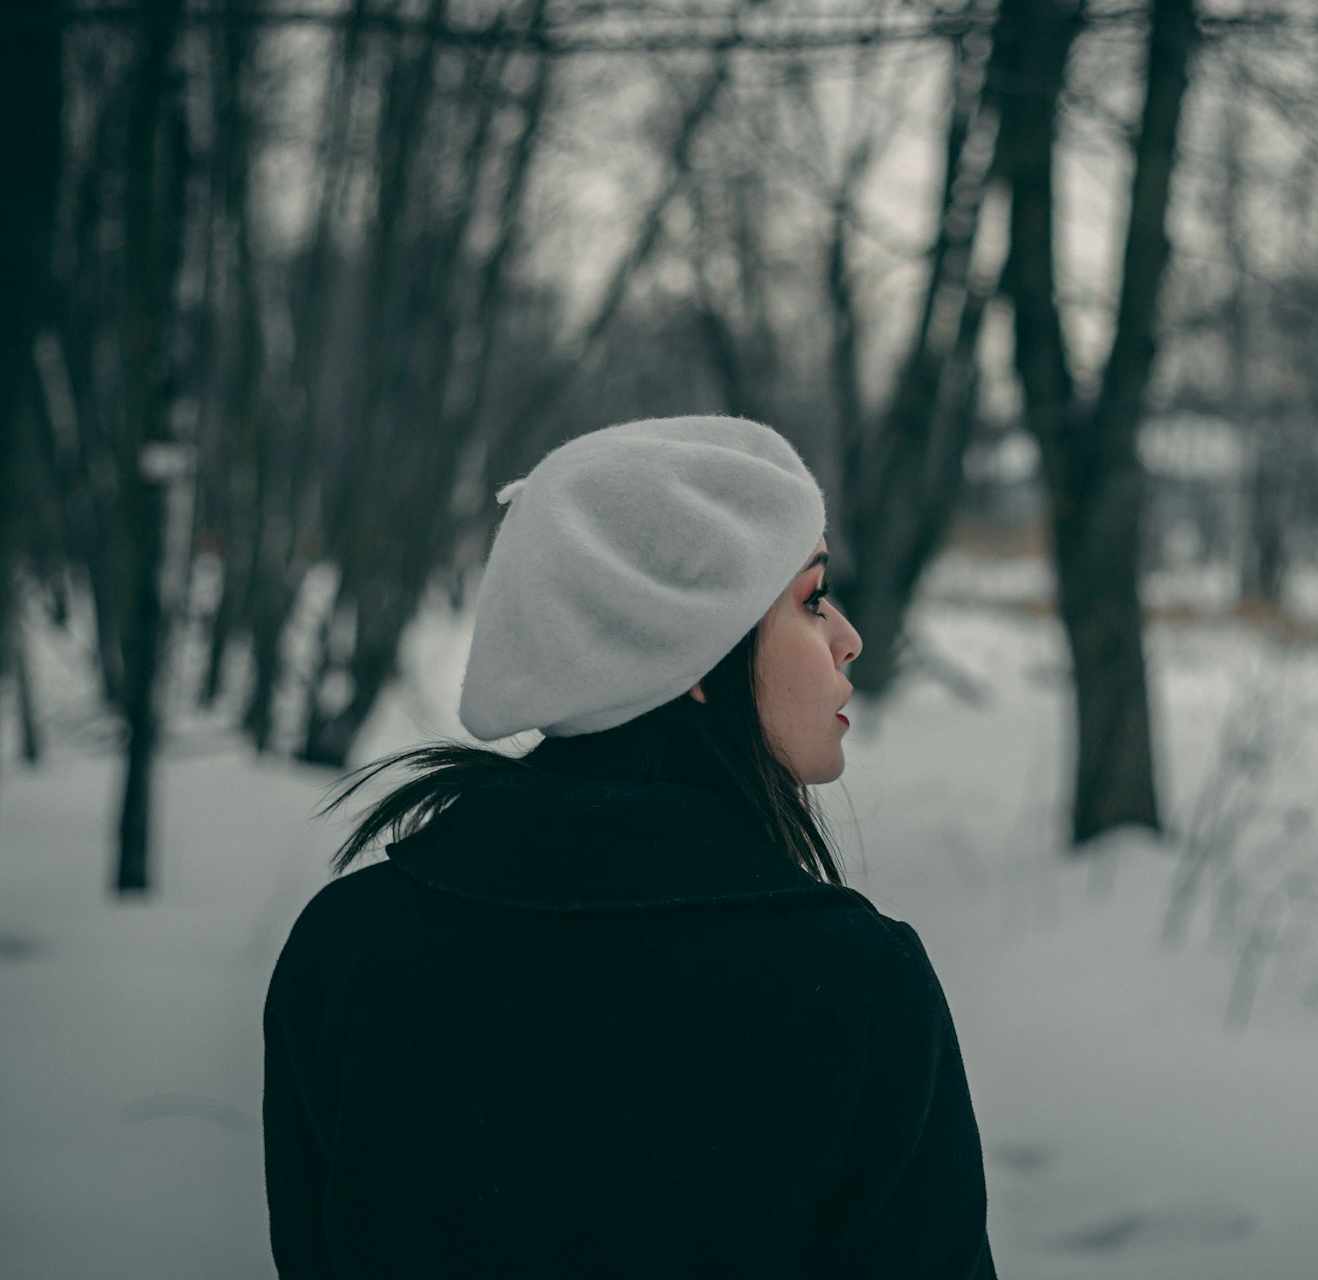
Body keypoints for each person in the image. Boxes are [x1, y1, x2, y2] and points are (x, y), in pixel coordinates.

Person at [262, 415, 997, 1277]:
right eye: (809, 599)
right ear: (683, 642)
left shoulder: (346, 948)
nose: (848, 638)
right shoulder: (855, 986)